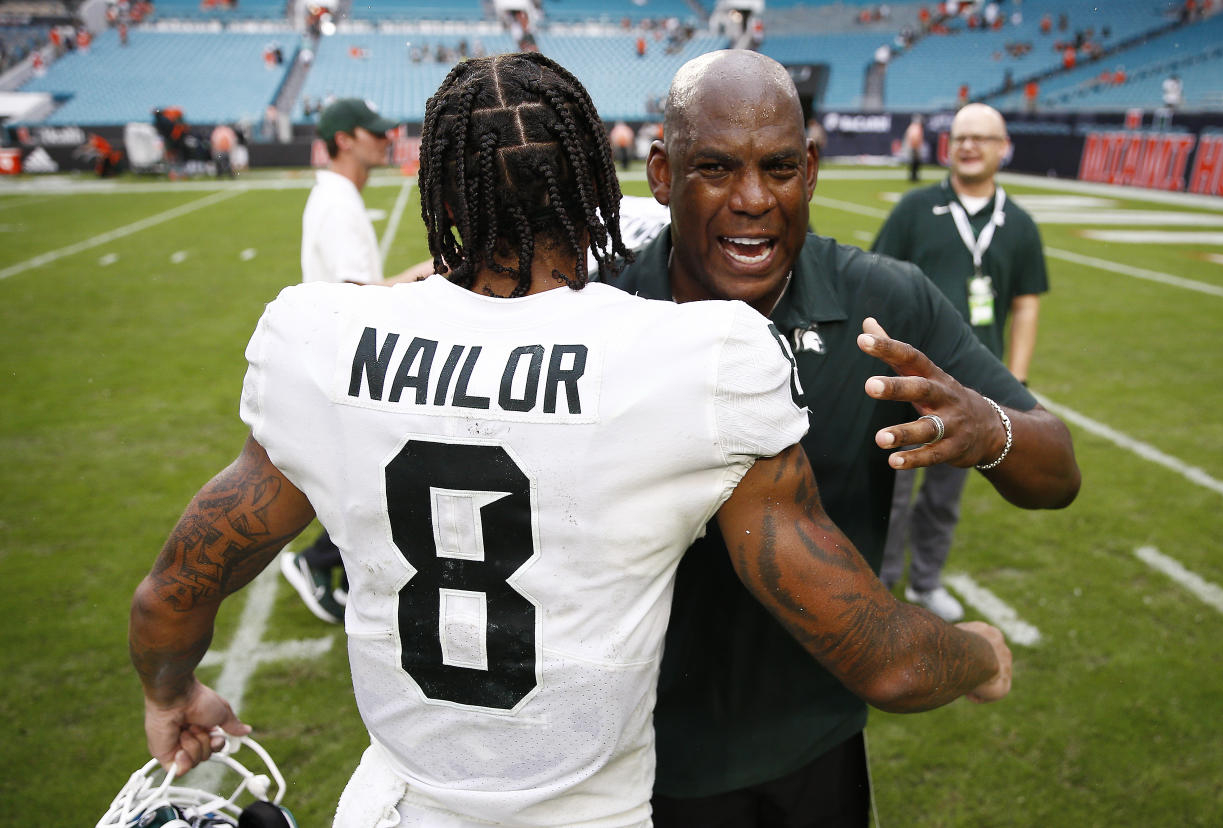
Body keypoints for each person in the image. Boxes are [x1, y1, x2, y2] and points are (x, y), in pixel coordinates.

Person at [128, 52, 1012, 828]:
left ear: (438, 192)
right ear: (597, 185)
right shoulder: (692, 360)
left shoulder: (321, 339)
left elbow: (171, 594)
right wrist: (979, 651)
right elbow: (882, 659)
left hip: (400, 806)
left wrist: (173, 692)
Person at [610, 49, 1079, 827]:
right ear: (663, 174)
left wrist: (987, 428)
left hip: (815, 742)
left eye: (781, 167)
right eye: (718, 168)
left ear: (813, 170)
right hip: (640, 759)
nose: (754, 198)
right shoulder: (605, 303)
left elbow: (1057, 471)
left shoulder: (882, 301)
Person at [873, 103, 1049, 622]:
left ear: (1003, 147)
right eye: (961, 136)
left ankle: (926, 582)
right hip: (911, 383)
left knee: (945, 495)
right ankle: (880, 587)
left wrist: (1016, 377)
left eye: (982, 138)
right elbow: (878, 280)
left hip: (975, 389)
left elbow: (1025, 303)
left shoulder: (1018, 223)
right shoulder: (914, 208)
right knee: (893, 490)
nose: (969, 145)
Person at [282, 97, 429, 623]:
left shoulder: (339, 196)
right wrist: (430, 272)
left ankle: (321, 561)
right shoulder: (338, 202)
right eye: (372, 132)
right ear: (345, 139)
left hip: (342, 350)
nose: (384, 138)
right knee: (379, 477)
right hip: (343, 353)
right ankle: (315, 561)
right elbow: (357, 293)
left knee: (371, 476)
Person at [903, 113, 925, 182]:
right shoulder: (916, 127)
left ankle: (913, 176)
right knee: (915, 163)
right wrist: (915, 148)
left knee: (914, 163)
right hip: (914, 147)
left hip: (913, 147)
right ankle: (914, 177)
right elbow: (914, 138)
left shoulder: (913, 127)